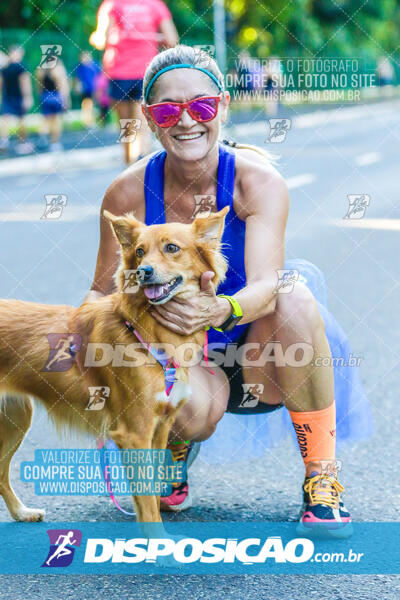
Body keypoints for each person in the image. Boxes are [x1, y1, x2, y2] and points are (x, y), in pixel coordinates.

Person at [84, 45, 372, 535]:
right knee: (190, 411)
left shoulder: (257, 182)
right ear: (151, 121)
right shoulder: (127, 193)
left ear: (221, 106)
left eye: (201, 106)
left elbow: (265, 285)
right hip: (182, 361)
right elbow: (96, 296)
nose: (187, 121)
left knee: (295, 293)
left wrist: (218, 308)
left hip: (259, 354)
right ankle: (173, 447)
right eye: (168, 110)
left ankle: (322, 480)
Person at [90, 0, 178, 164]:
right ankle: (142, 159)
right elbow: (172, 40)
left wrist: (95, 37)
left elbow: (102, 41)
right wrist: (152, 37)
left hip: (118, 73)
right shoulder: (155, 5)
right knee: (142, 125)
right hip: (146, 73)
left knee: (127, 127)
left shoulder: (112, 5)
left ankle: (130, 167)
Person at [0, 45, 34, 155]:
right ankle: (22, 143)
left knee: (6, 119)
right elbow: (25, 82)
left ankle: (4, 141)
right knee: (21, 120)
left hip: (8, 96)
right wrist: (28, 97)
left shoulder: (5, 67)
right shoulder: (21, 66)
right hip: (18, 96)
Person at [36, 58, 70, 152]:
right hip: (56, 97)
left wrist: (40, 97)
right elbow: (63, 86)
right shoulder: (58, 70)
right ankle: (54, 142)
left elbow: (39, 87)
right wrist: (66, 100)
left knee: (46, 119)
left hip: (45, 97)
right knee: (56, 120)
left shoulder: (41, 72)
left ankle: (43, 136)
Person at [75, 51, 101, 127]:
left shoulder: (95, 65)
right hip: (85, 89)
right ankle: (88, 121)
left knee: (94, 105)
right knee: (87, 104)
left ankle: (93, 120)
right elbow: (78, 78)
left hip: (95, 88)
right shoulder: (80, 67)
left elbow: (99, 76)